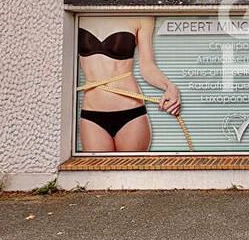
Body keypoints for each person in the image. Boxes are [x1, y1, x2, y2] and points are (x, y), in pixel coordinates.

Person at [77, 16, 181, 152]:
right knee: (97, 172)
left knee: (134, 172)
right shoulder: (79, 15)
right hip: (91, 113)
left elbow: (147, 67)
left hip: (131, 114)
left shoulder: (142, 18)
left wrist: (169, 87)